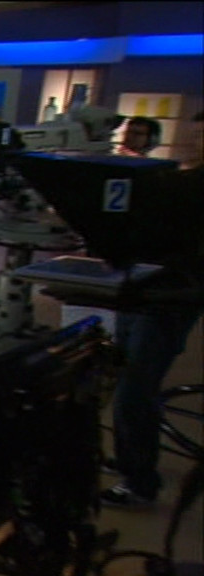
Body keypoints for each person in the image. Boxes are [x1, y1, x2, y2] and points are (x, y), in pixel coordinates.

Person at [101, 110, 204, 507]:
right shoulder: (180, 180)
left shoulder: (186, 186)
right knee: (126, 381)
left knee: (135, 390)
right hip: (144, 291)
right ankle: (130, 459)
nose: (194, 141)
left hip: (169, 300)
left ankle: (140, 482)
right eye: (195, 133)